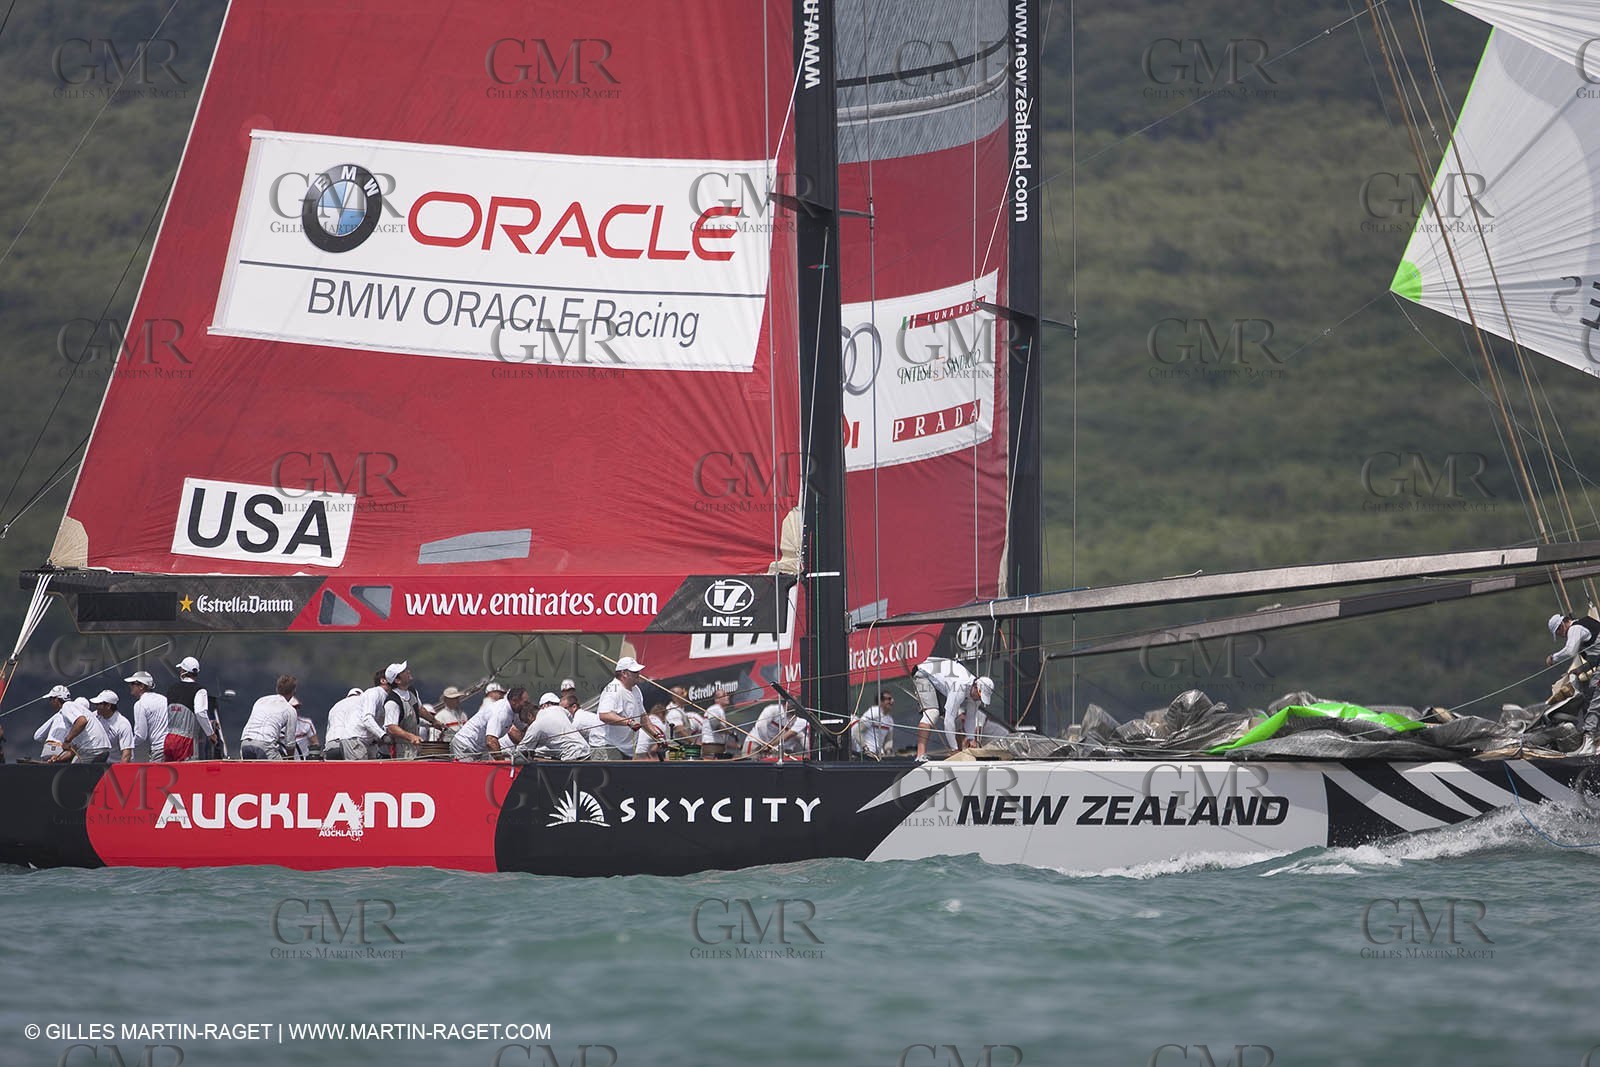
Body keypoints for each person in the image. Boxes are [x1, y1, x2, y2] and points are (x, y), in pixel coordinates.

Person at [912, 661, 994, 760]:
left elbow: (971, 718)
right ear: (976, 687)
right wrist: (953, 748)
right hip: (924, 672)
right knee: (933, 713)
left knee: (955, 718)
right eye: (980, 696)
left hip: (941, 682)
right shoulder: (960, 687)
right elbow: (948, 720)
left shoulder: (975, 694)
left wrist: (971, 738)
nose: (979, 699)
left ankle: (956, 750)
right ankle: (920, 756)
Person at [1548, 612, 1600, 752]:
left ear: (1561, 626)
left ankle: (1590, 740)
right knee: (1589, 698)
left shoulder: (1575, 629)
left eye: (1559, 633)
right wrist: (1581, 669)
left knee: (1595, 700)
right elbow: (1596, 658)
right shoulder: (1582, 628)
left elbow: (1570, 651)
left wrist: (1554, 658)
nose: (1561, 636)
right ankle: (1595, 737)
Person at [510, 691, 592, 762]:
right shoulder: (557, 709)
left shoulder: (536, 725)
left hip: (572, 756)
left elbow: (522, 749)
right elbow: (570, 718)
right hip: (586, 750)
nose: (528, 725)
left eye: (527, 722)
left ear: (529, 716)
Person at [166, 656, 220, 760]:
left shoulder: (171, 689)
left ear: (183, 671)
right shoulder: (200, 690)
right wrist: (211, 733)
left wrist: (209, 722)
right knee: (187, 773)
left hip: (168, 739)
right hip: (185, 741)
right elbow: (200, 713)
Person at [451, 683, 518, 760]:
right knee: (467, 771)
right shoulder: (495, 706)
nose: (501, 695)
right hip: (468, 745)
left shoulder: (493, 705)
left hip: (475, 745)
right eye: (499, 692)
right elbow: (492, 739)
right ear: (491, 692)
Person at [53, 691, 124, 764]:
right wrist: (58, 759)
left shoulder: (67, 706)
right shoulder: (83, 712)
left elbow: (82, 721)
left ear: (56, 700)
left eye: (51, 699)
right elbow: (74, 749)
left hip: (92, 749)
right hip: (102, 749)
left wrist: (67, 740)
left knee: (72, 773)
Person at [597, 657, 648, 758]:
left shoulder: (636, 690)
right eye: (635, 671)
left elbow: (643, 717)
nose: (638, 674)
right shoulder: (612, 689)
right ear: (624, 673)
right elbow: (604, 715)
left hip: (627, 749)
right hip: (609, 746)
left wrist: (658, 736)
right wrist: (629, 722)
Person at [240, 675, 299, 760]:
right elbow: (290, 743)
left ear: (277, 688)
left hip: (245, 742)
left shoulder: (260, 700)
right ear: (293, 692)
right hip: (265, 744)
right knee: (282, 772)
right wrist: (290, 760)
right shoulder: (290, 710)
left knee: (251, 773)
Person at [377, 662, 429, 758]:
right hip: (401, 748)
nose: (408, 671)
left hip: (415, 744)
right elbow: (392, 727)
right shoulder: (392, 702)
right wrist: (411, 737)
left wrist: (434, 721)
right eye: (404, 672)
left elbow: (420, 709)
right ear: (397, 680)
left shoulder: (412, 691)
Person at [324, 686, 385, 760]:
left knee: (337, 771)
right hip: (352, 744)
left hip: (331, 745)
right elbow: (367, 723)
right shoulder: (362, 702)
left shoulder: (335, 706)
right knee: (358, 771)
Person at [127, 670, 176, 762]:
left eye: (133, 683)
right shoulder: (163, 699)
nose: (130, 686)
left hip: (159, 748)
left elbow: (141, 736)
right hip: (173, 747)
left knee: (155, 776)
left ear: (141, 686)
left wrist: (127, 746)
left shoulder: (140, 704)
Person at [851, 690, 897, 759]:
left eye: (892, 699)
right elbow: (856, 731)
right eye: (889, 699)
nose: (892, 701)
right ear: (881, 702)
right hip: (866, 755)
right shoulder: (874, 712)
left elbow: (888, 740)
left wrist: (888, 751)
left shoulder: (890, 720)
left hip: (878, 755)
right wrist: (865, 748)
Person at [33, 685, 75, 760]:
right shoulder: (74, 714)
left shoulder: (58, 715)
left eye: (51, 699)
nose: (50, 702)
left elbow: (37, 736)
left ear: (56, 699)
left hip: (48, 750)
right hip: (63, 751)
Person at [700, 686, 736, 758]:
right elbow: (715, 725)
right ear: (717, 699)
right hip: (712, 746)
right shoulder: (714, 708)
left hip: (717, 746)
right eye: (724, 695)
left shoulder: (719, 710)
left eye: (727, 695)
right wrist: (731, 733)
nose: (727, 697)